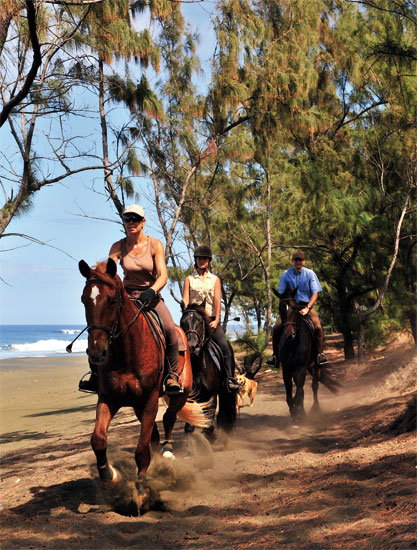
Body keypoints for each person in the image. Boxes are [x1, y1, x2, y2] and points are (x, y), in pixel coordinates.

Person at [79, 205, 182, 395]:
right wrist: (96, 273)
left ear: (143, 222)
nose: (131, 222)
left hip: (151, 297)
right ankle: (95, 375)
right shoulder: (118, 247)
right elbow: (109, 271)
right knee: (100, 326)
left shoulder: (155, 245)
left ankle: (172, 375)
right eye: (128, 219)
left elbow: (163, 276)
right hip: (127, 297)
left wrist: (151, 291)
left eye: (135, 218)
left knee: (169, 329)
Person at [182, 245, 240, 392]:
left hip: (210, 320)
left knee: (225, 347)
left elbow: (217, 301)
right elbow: (185, 299)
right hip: (194, 320)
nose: (202, 261)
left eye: (205, 259)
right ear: (196, 260)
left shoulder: (215, 279)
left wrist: (216, 320)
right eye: (199, 258)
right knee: (178, 346)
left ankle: (229, 379)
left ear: (209, 261)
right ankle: (174, 378)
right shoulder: (189, 279)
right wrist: (184, 308)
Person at [267, 250, 328, 368]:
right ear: (292, 261)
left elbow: (315, 293)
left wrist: (308, 308)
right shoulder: (286, 274)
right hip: (291, 308)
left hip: (306, 306)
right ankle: (275, 357)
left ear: (303, 261)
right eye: (296, 260)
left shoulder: (310, 274)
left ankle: (320, 355)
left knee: (318, 327)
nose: (298, 262)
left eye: (300, 260)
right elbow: (282, 293)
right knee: (276, 328)